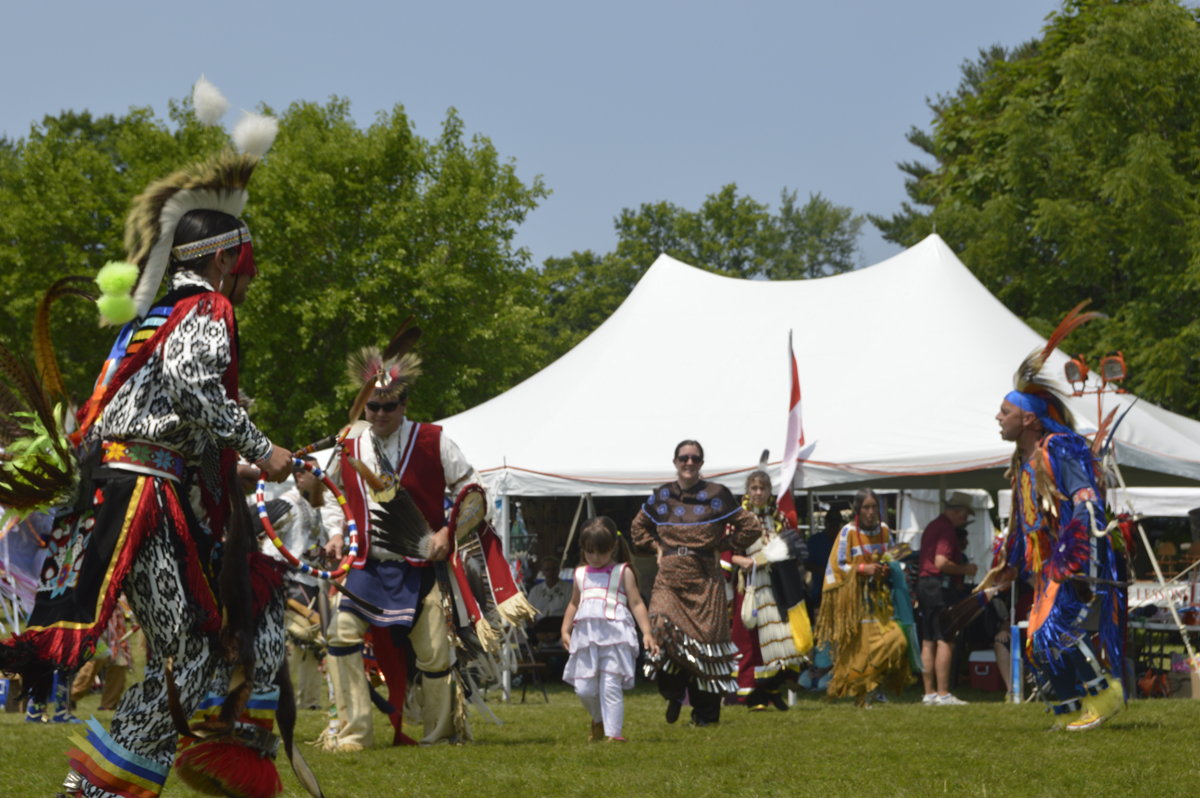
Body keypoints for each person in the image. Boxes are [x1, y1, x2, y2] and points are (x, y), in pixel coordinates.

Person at [0, 120, 297, 797]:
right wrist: (261, 446)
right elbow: (192, 392)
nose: (248, 283)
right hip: (138, 494)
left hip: (124, 488)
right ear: (225, 261)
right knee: (192, 658)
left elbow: (166, 410)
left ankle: (100, 788)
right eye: (246, 268)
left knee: (188, 654)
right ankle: (95, 791)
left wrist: (235, 452)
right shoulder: (208, 309)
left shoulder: (155, 318)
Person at [323, 347, 492, 750]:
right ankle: (354, 734)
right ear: (363, 404)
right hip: (367, 566)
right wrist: (334, 532)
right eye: (373, 406)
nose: (380, 414)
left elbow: (474, 490)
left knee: (434, 653)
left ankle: (441, 731)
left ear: (404, 404)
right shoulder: (348, 443)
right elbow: (332, 492)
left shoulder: (433, 439)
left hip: (420, 567)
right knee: (341, 635)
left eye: (389, 406)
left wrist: (448, 533)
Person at [994, 304, 1126, 731]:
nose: (998, 417)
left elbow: (1086, 503)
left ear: (1028, 418)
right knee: (1036, 643)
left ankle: (1104, 698)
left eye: (1005, 411)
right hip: (1046, 566)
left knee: (1055, 634)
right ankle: (1068, 708)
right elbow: (1024, 524)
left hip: (1072, 556)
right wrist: (1010, 563)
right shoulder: (1023, 463)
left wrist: (1075, 556)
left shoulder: (1058, 450)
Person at [631, 440, 762, 727]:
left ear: (701, 463)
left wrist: (723, 545)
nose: (689, 463)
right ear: (675, 462)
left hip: (706, 580)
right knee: (659, 626)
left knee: (707, 648)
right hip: (669, 580)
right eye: (683, 458)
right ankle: (675, 691)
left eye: (694, 458)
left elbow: (752, 527)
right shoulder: (662, 495)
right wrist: (656, 547)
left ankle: (705, 716)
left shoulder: (717, 494)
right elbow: (637, 527)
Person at [561, 518, 658, 743]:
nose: (595, 557)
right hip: (586, 639)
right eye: (590, 552)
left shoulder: (623, 572)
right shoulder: (580, 574)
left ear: (613, 547)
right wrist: (566, 630)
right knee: (583, 689)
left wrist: (647, 633)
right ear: (583, 548)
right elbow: (574, 604)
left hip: (616, 638)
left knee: (610, 686)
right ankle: (598, 719)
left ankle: (614, 735)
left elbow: (636, 603)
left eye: (601, 552)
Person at [815, 488, 911, 707]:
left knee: (896, 640)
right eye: (866, 507)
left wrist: (887, 570)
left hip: (880, 598)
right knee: (862, 647)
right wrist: (861, 568)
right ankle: (865, 693)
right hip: (854, 600)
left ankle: (873, 683)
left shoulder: (884, 530)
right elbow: (837, 564)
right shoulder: (847, 532)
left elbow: (892, 558)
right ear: (857, 510)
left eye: (874, 507)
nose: (871, 512)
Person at [724, 468, 809, 710]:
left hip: (775, 584)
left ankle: (773, 688)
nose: (758, 492)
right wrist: (740, 561)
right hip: (748, 585)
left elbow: (791, 547)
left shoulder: (779, 518)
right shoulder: (737, 518)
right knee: (749, 638)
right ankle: (752, 695)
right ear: (747, 491)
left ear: (770, 491)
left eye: (763, 488)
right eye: (754, 488)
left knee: (780, 635)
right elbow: (724, 549)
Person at [259, 454, 330, 710]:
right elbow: (261, 531)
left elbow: (312, 543)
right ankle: (279, 696)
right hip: (288, 579)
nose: (322, 478)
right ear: (299, 475)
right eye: (315, 473)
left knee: (312, 644)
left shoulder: (314, 505)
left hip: (310, 579)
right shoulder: (287, 503)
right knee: (305, 634)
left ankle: (308, 701)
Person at [917, 491, 978, 706]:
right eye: (964, 515)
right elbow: (941, 562)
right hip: (940, 587)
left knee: (928, 639)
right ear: (957, 511)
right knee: (945, 638)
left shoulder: (933, 525)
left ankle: (929, 693)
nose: (964, 520)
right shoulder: (947, 530)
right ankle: (943, 693)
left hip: (925, 585)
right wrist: (966, 569)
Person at [528, 556, 572, 644]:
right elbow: (528, 615)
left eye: (553, 569)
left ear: (558, 571)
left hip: (562, 632)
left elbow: (574, 615)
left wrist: (561, 632)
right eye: (547, 569)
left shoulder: (569, 589)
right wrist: (537, 632)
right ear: (543, 572)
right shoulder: (535, 591)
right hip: (538, 633)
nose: (550, 573)